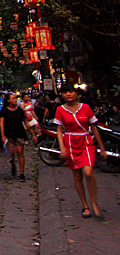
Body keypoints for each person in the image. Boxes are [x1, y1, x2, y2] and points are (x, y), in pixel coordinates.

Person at [55, 83, 108, 219]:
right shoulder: (60, 110)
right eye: (65, 92)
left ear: (76, 93)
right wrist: (62, 148)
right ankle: (85, 206)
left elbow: (94, 128)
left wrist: (102, 148)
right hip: (71, 143)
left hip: (86, 142)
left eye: (71, 92)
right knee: (77, 176)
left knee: (88, 172)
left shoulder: (85, 108)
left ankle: (94, 202)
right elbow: (59, 131)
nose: (68, 94)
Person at [0, 93, 37, 180]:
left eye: (15, 98)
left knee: (20, 152)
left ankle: (22, 173)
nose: (15, 100)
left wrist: (32, 133)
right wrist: (3, 135)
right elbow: (2, 123)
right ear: (8, 100)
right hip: (9, 134)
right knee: (12, 153)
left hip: (19, 133)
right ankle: (13, 163)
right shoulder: (4, 110)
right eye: (13, 98)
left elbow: (26, 122)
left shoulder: (20, 110)